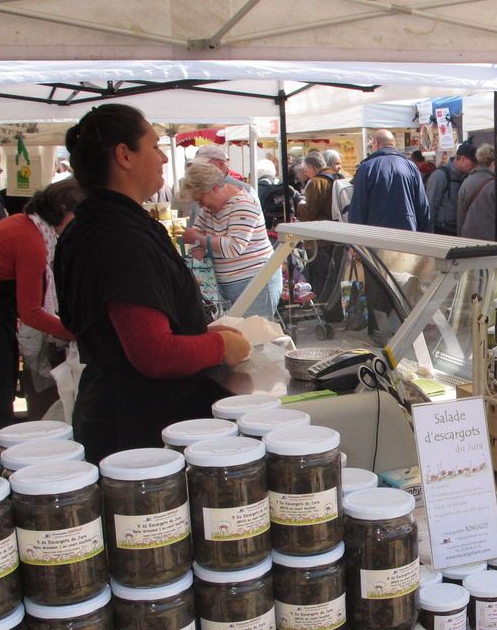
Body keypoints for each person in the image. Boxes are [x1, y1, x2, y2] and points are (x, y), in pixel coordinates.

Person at [54, 104, 251, 463]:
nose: (163, 158)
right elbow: (153, 353)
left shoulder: (86, 225)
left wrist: (193, 332)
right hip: (140, 432)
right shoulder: (121, 236)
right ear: (124, 156)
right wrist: (217, 345)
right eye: (155, 145)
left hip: (113, 414)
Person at [0, 182, 84, 453]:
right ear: (64, 210)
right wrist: (76, 333)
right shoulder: (30, 239)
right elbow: (31, 311)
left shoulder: (26, 226)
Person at [180, 161, 278, 320]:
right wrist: (197, 250)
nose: (201, 205)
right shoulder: (209, 209)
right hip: (227, 284)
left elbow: (233, 247)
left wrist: (198, 238)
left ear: (214, 188)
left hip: (254, 283)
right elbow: (197, 233)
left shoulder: (244, 204)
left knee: (257, 336)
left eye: (200, 199)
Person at [348, 129, 431, 232]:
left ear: (376, 144)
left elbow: (358, 207)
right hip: (407, 233)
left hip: (375, 235)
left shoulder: (366, 168)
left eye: (371, 146)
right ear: (393, 144)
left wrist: (355, 240)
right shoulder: (411, 167)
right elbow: (422, 205)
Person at [457, 144, 497, 241]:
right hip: (492, 240)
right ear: (493, 163)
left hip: (468, 240)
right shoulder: (496, 185)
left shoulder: (466, 182)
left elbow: (460, 216)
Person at [426, 143, 472, 235]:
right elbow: (430, 204)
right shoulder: (440, 175)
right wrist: (429, 233)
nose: (474, 166)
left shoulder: (466, 177)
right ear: (462, 159)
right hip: (442, 230)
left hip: (457, 230)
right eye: (473, 162)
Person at [295, 153, 334, 222]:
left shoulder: (316, 182)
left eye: (306, 169)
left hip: (324, 226)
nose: (306, 173)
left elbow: (309, 214)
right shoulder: (338, 175)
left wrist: (299, 204)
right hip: (342, 222)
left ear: (312, 167)